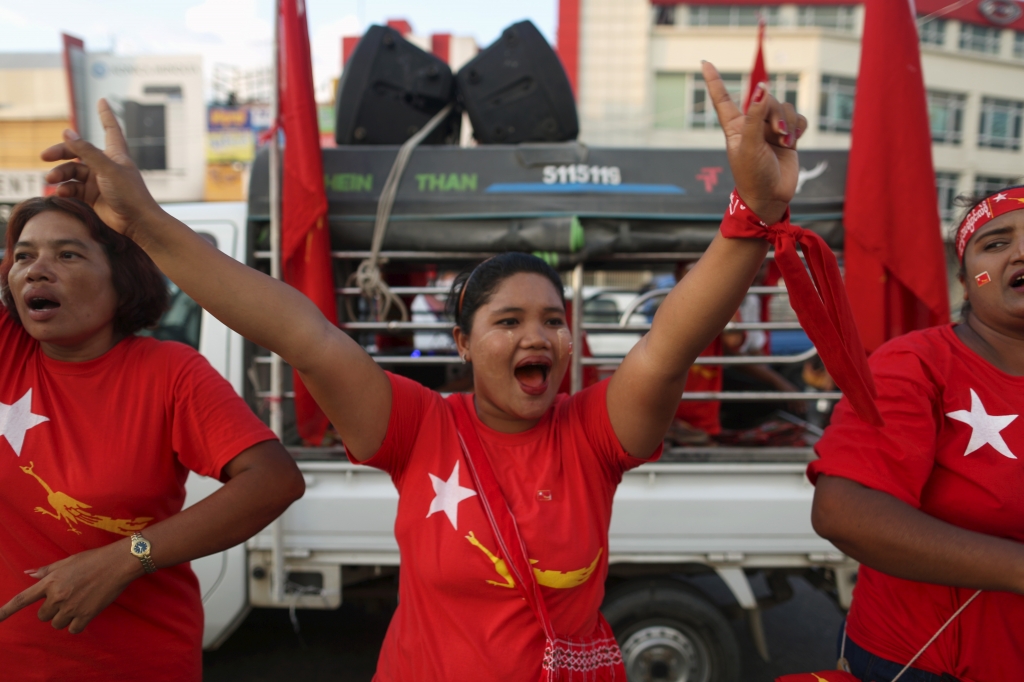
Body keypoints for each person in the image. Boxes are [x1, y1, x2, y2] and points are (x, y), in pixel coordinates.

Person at [38, 61, 805, 680]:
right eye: (507, 321)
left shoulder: (596, 434)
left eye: (553, 322)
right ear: (463, 346)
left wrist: (751, 214)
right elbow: (299, 332)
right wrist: (142, 221)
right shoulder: (418, 427)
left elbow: (669, 345)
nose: (538, 336)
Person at [0, 196, 306, 682]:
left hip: (136, 663)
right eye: (23, 255)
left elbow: (274, 480)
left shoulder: (171, 372)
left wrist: (126, 559)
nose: (36, 270)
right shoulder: (8, 349)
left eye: (67, 254)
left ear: (122, 279)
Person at [809, 187, 1024, 681]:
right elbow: (843, 510)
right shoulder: (915, 364)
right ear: (966, 281)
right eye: (995, 243)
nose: (1020, 252)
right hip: (921, 665)